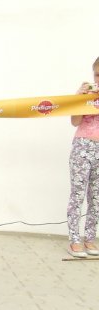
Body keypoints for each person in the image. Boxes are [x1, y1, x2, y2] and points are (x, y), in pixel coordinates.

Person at [67, 56, 99, 258]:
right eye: (97, 75)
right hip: (82, 147)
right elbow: (75, 121)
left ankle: (90, 237)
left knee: (96, 198)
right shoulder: (86, 96)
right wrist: (79, 99)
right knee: (78, 195)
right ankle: (74, 239)